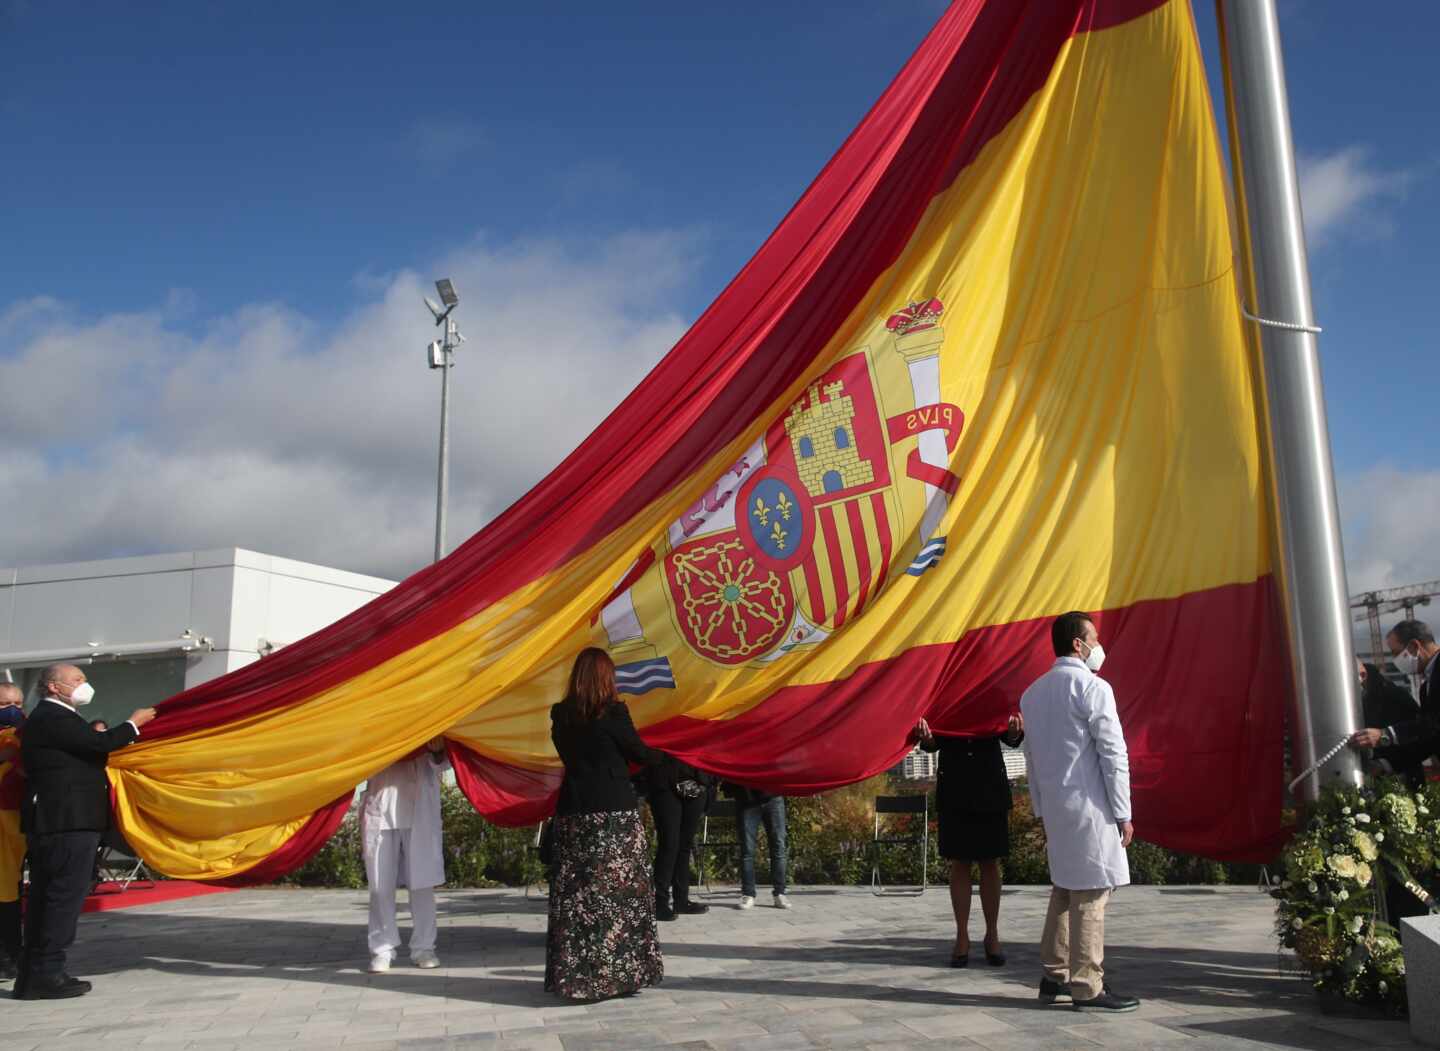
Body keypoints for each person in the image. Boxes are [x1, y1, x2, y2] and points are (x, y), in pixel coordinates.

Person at [1020, 612, 1138, 1013]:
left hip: (1056, 806)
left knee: (1066, 890)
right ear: (1078, 644)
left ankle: (1052, 975)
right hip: (1090, 807)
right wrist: (1123, 811)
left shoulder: (1032, 694)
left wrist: (1040, 806)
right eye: (1094, 638)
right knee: (1089, 894)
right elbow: (1113, 754)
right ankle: (1088, 984)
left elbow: (1031, 758)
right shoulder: (1093, 688)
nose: (1098, 646)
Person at [15, 664, 155, 1000]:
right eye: (77, 680)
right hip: (66, 822)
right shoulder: (52, 717)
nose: (84, 685)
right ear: (53, 687)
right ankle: (47, 972)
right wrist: (134, 724)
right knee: (62, 898)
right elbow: (98, 743)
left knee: (47, 899)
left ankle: (34, 975)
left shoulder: (53, 717)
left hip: (59, 822)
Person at [546, 647, 667, 1001]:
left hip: (574, 813)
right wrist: (670, 755)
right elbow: (638, 753)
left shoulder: (561, 714)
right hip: (613, 815)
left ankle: (578, 978)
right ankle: (618, 976)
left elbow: (569, 755)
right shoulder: (614, 712)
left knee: (578, 896)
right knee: (620, 897)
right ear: (606, 677)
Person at [913, 710, 1024, 967]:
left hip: (989, 784)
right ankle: (961, 936)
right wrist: (928, 737)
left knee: (990, 861)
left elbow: (1011, 735)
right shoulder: (947, 685)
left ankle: (992, 935)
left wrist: (1014, 731)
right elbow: (932, 742)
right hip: (955, 784)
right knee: (960, 861)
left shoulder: (993, 683)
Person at [361, 736, 448, 973]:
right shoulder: (376, 718)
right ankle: (382, 950)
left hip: (419, 809)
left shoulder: (429, 715)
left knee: (422, 885)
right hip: (381, 805)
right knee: (380, 887)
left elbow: (445, 763)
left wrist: (437, 751)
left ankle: (424, 948)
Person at [1351, 620, 1440, 765]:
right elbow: (1429, 738)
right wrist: (1388, 765)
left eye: (1397, 653)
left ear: (1414, 646)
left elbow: (1434, 723)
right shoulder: (1426, 687)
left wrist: (1385, 735)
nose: (1395, 660)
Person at [643, 756, 716, 920]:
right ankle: (660, 903)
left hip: (697, 780)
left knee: (685, 845)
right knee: (669, 844)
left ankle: (681, 900)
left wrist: (711, 779)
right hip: (665, 780)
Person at [1357, 657, 1424, 786]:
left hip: (1404, 776)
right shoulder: (1365, 700)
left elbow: (1419, 734)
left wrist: (1385, 764)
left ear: (1363, 676)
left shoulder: (1394, 696)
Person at [726, 782, 790, 910]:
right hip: (746, 798)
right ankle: (748, 894)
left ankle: (780, 893)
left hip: (773, 796)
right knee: (747, 850)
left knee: (778, 847)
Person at [0, 683, 26, 983]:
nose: (13, 710)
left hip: (21, 822)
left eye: (18, 703)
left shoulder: (27, 734)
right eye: (5, 703)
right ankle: (7, 954)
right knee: (5, 890)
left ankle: (14, 951)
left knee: (12, 890)